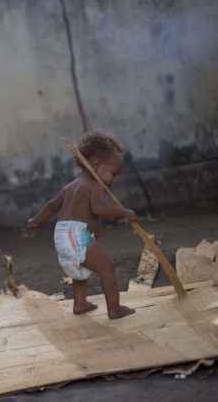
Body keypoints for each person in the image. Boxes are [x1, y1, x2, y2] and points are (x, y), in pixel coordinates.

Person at [26, 130, 137, 319]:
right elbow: (99, 209)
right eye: (113, 173)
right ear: (96, 164)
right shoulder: (94, 186)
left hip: (61, 235)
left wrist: (36, 220)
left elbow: (52, 206)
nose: (114, 180)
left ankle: (80, 303)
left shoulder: (70, 186)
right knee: (107, 269)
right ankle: (114, 309)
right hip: (76, 236)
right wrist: (124, 213)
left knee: (81, 269)